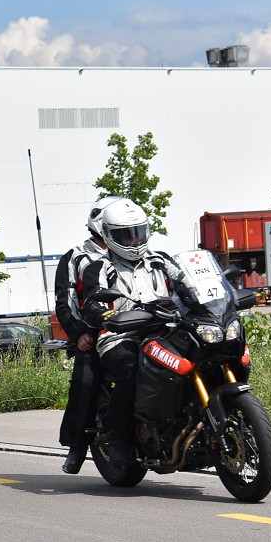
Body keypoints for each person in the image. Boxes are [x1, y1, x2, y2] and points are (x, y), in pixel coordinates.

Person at [81, 199, 177, 467]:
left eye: (138, 233)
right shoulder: (100, 266)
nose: (134, 241)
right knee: (131, 369)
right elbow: (91, 302)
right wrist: (106, 315)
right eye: (126, 235)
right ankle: (117, 436)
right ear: (109, 236)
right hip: (120, 337)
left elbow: (187, 283)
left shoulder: (161, 260)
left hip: (163, 330)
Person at [54, 196, 122, 474]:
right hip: (95, 331)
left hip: (137, 326)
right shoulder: (75, 256)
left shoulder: (131, 252)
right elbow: (64, 301)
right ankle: (78, 446)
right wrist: (79, 332)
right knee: (86, 382)